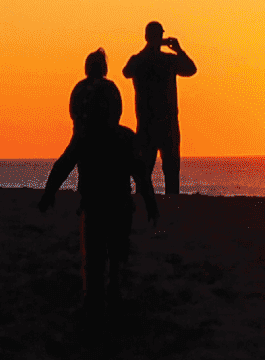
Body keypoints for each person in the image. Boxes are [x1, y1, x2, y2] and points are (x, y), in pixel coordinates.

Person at [37, 51, 158, 311]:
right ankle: (110, 290)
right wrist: (149, 201)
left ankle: (97, 295)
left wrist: (49, 193)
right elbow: (139, 172)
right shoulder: (123, 135)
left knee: (95, 253)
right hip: (116, 200)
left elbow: (64, 164)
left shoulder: (86, 129)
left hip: (94, 199)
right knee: (114, 251)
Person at [122, 23, 197, 200]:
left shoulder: (140, 60)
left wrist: (149, 50)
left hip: (148, 124)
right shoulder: (168, 61)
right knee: (170, 170)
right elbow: (191, 69)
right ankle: (170, 204)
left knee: (146, 170)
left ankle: (145, 206)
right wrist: (179, 50)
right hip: (166, 124)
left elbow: (127, 71)